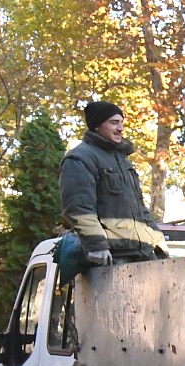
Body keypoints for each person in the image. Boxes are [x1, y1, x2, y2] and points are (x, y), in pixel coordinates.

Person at [60, 101, 167, 266]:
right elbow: (79, 208)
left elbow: (141, 210)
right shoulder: (79, 159)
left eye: (122, 122)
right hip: (110, 257)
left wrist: (158, 238)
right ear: (97, 126)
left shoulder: (123, 161)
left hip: (142, 254)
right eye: (114, 122)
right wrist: (96, 245)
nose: (121, 128)